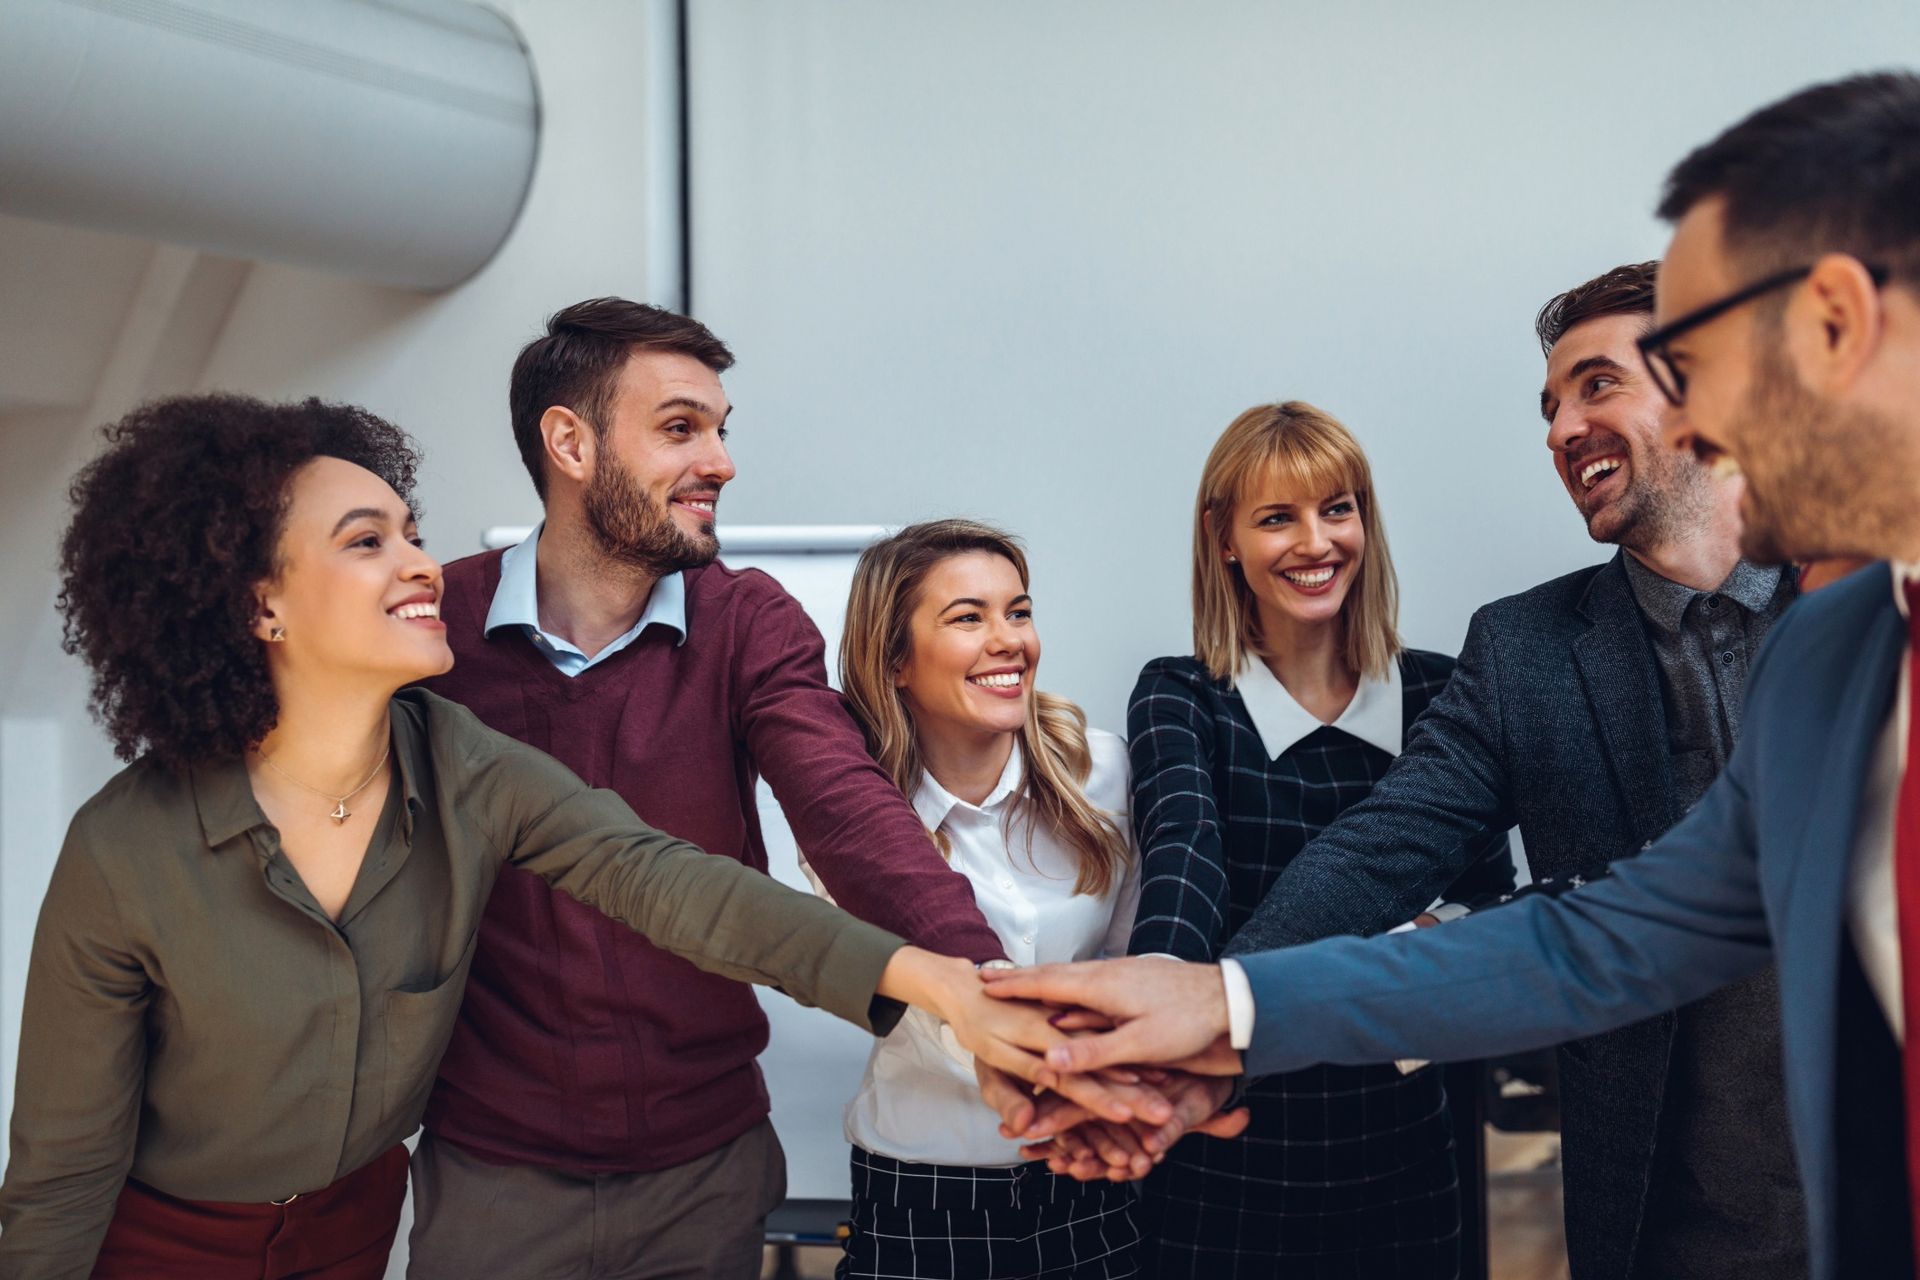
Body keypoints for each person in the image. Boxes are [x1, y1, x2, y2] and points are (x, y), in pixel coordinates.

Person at [981, 69, 1920, 1280]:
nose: (1689, 429)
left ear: (1836, 320)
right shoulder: (1836, 657)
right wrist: (1219, 1012)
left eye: (1692, 367)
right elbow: (1596, 939)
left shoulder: (1815, 625)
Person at [0, 394, 1075, 1280]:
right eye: (368, 542)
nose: (422, 564)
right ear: (260, 605)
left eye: (412, 531)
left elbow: (676, 885)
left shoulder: (463, 762)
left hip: (356, 1239)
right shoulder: (125, 850)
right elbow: (60, 1174)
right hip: (160, 1249)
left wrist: (948, 984)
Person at [1028, 260, 1806, 1280]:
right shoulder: (1524, 651)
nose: (1560, 428)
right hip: (1678, 1212)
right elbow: (1379, 847)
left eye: (1598, 384)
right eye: (1551, 404)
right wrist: (1209, 1020)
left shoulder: (1874, 602)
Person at [407, 301, 1164, 1277]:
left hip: (704, 1168)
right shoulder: (438, 631)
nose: (719, 460)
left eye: (722, 430)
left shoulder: (746, 621)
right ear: (571, 442)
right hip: (492, 1171)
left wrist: (989, 1003)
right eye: (681, 428)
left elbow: (850, 814)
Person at [1119, 402, 1511, 1277]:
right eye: (1276, 518)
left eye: (1338, 509)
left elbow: (1487, 898)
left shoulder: (1448, 693)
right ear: (1224, 538)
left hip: (1405, 1147)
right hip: (1223, 1146)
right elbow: (1186, 862)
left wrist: (1423, 949)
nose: (1316, 542)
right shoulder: (1182, 696)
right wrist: (1159, 1011)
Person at [817, 518, 1157, 1277]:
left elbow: (1127, 959)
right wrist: (1066, 1074)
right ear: (896, 659)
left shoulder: (1101, 769)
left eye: (1020, 611)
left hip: (1093, 1184)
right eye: (968, 617)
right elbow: (916, 1006)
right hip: (926, 1193)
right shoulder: (848, 815)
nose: (1009, 640)